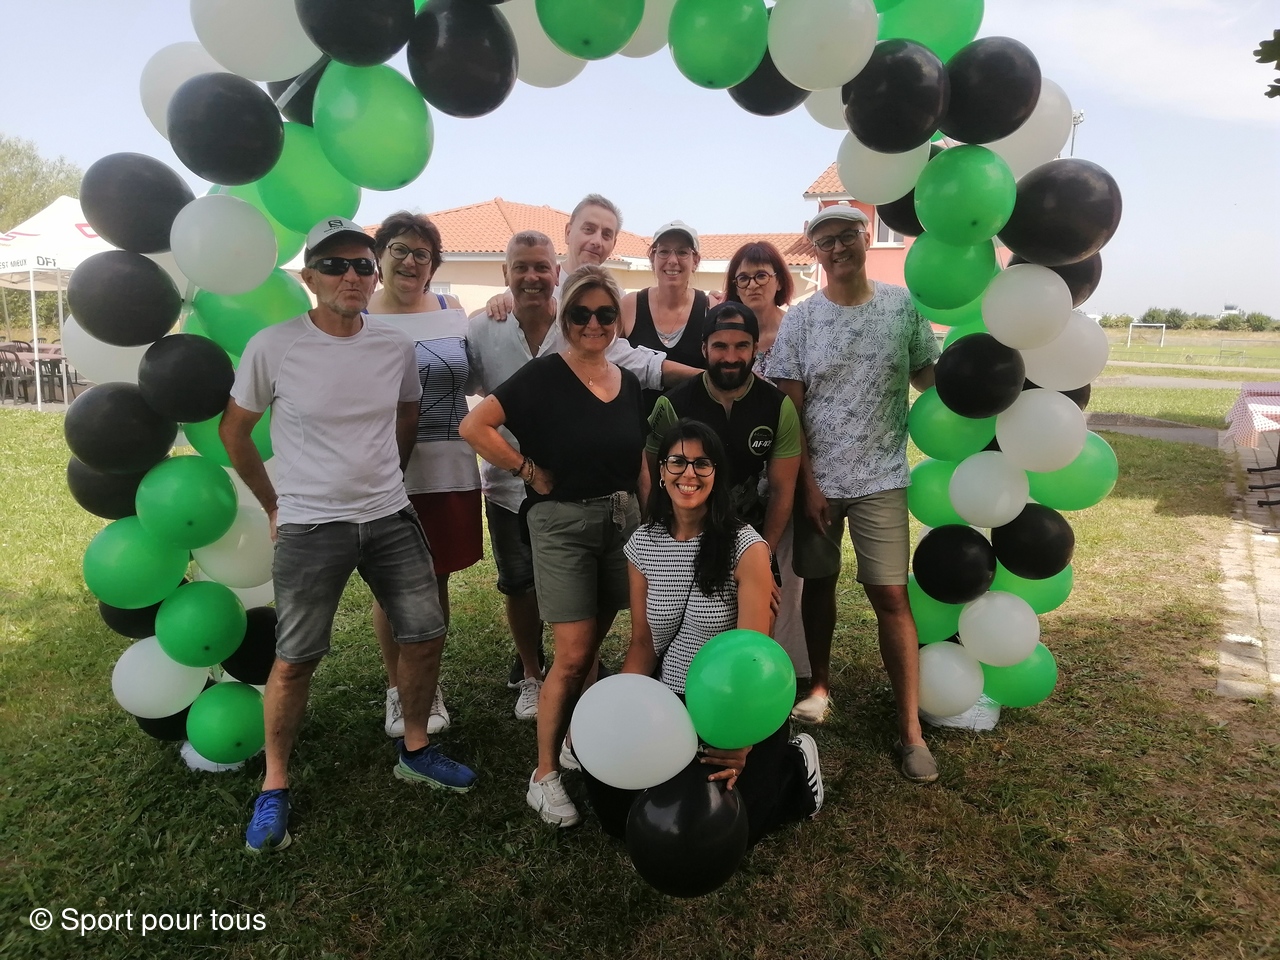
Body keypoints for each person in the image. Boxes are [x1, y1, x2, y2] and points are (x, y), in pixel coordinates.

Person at [221, 217, 477, 854]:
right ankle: (274, 784)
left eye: (363, 264)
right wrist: (274, 503)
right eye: (335, 265)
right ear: (309, 277)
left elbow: (407, 415)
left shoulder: (392, 346)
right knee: (295, 658)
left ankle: (414, 746)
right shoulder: (274, 346)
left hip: (390, 515)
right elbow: (235, 431)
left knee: (425, 632)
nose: (352, 276)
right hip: (311, 523)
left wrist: (387, 475)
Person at [461, 265, 647, 828]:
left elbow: (638, 458)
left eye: (605, 313)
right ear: (566, 318)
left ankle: (573, 740)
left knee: (595, 641)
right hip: (561, 524)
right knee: (570, 653)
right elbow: (476, 426)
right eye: (581, 313)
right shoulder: (542, 376)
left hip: (622, 523)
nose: (594, 323)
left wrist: (650, 519)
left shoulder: (628, 382)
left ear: (617, 320)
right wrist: (524, 468)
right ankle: (543, 775)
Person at [584, 419, 822, 845]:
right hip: (670, 700)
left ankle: (794, 766)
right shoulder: (643, 545)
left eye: (701, 463)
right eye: (677, 462)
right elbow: (643, 644)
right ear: (661, 472)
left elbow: (752, 656)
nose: (688, 473)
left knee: (731, 827)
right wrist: (619, 709)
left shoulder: (746, 547)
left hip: (732, 701)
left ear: (716, 474)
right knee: (617, 814)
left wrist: (740, 741)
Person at [769, 205, 941, 783]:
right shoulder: (802, 320)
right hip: (819, 482)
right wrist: (809, 483)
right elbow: (790, 412)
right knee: (818, 584)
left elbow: (927, 377)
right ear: (815, 252)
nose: (837, 248)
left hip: (882, 478)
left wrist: (979, 378)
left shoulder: (902, 308)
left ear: (866, 239)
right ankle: (819, 687)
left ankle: (910, 731)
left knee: (890, 595)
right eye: (826, 241)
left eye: (847, 236)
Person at [366, 211, 479, 741]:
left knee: (435, 582)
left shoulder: (452, 311)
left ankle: (426, 685)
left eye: (422, 254)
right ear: (380, 256)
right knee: (391, 585)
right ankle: (398, 688)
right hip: (385, 473)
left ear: (433, 266)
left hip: (451, 469)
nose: (410, 261)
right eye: (399, 249)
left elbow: (475, 375)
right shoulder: (360, 315)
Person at [645, 302, 800, 561]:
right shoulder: (672, 405)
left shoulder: (778, 407)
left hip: (749, 530)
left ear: (755, 348)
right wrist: (659, 541)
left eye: (741, 346)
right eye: (720, 346)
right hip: (683, 534)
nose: (730, 358)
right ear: (704, 348)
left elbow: (782, 489)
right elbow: (650, 479)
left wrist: (765, 554)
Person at [722, 241, 809, 680]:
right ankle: (735, 653)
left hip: (789, 464)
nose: (752, 284)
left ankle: (785, 665)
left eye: (761, 275)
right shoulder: (728, 335)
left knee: (785, 569)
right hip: (739, 474)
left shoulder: (799, 330)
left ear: (779, 280)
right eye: (743, 277)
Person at [620, 220, 710, 408]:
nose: (672, 260)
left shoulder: (710, 308)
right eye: (664, 251)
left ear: (695, 261)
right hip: (637, 423)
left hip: (694, 424)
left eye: (682, 252)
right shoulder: (628, 306)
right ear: (652, 258)